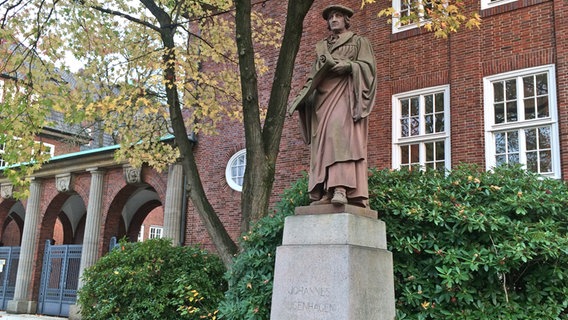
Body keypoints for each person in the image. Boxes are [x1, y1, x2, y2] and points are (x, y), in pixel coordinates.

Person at [288, 4, 377, 208]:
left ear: (346, 20)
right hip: (322, 100)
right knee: (324, 143)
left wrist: (350, 66)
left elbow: (369, 69)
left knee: (341, 137)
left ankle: (341, 188)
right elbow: (313, 77)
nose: (333, 20)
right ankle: (327, 190)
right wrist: (303, 99)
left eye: (338, 16)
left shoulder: (359, 42)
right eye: (330, 17)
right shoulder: (322, 47)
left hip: (345, 95)